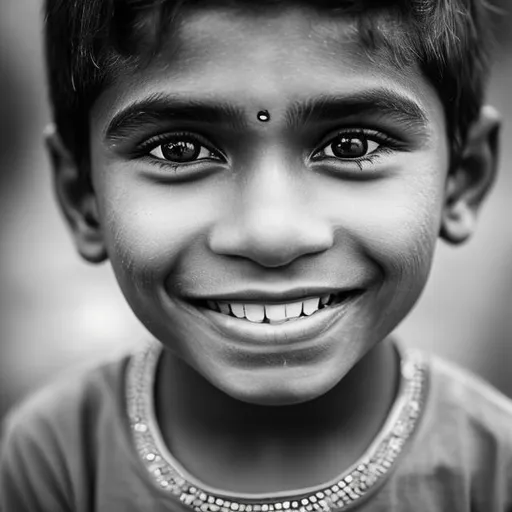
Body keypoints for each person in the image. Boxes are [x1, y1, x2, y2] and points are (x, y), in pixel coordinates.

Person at [1, 0, 511, 510]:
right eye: (179, 150)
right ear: (82, 198)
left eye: (351, 146)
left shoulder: (494, 469)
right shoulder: (54, 459)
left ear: (461, 179)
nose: (271, 235)